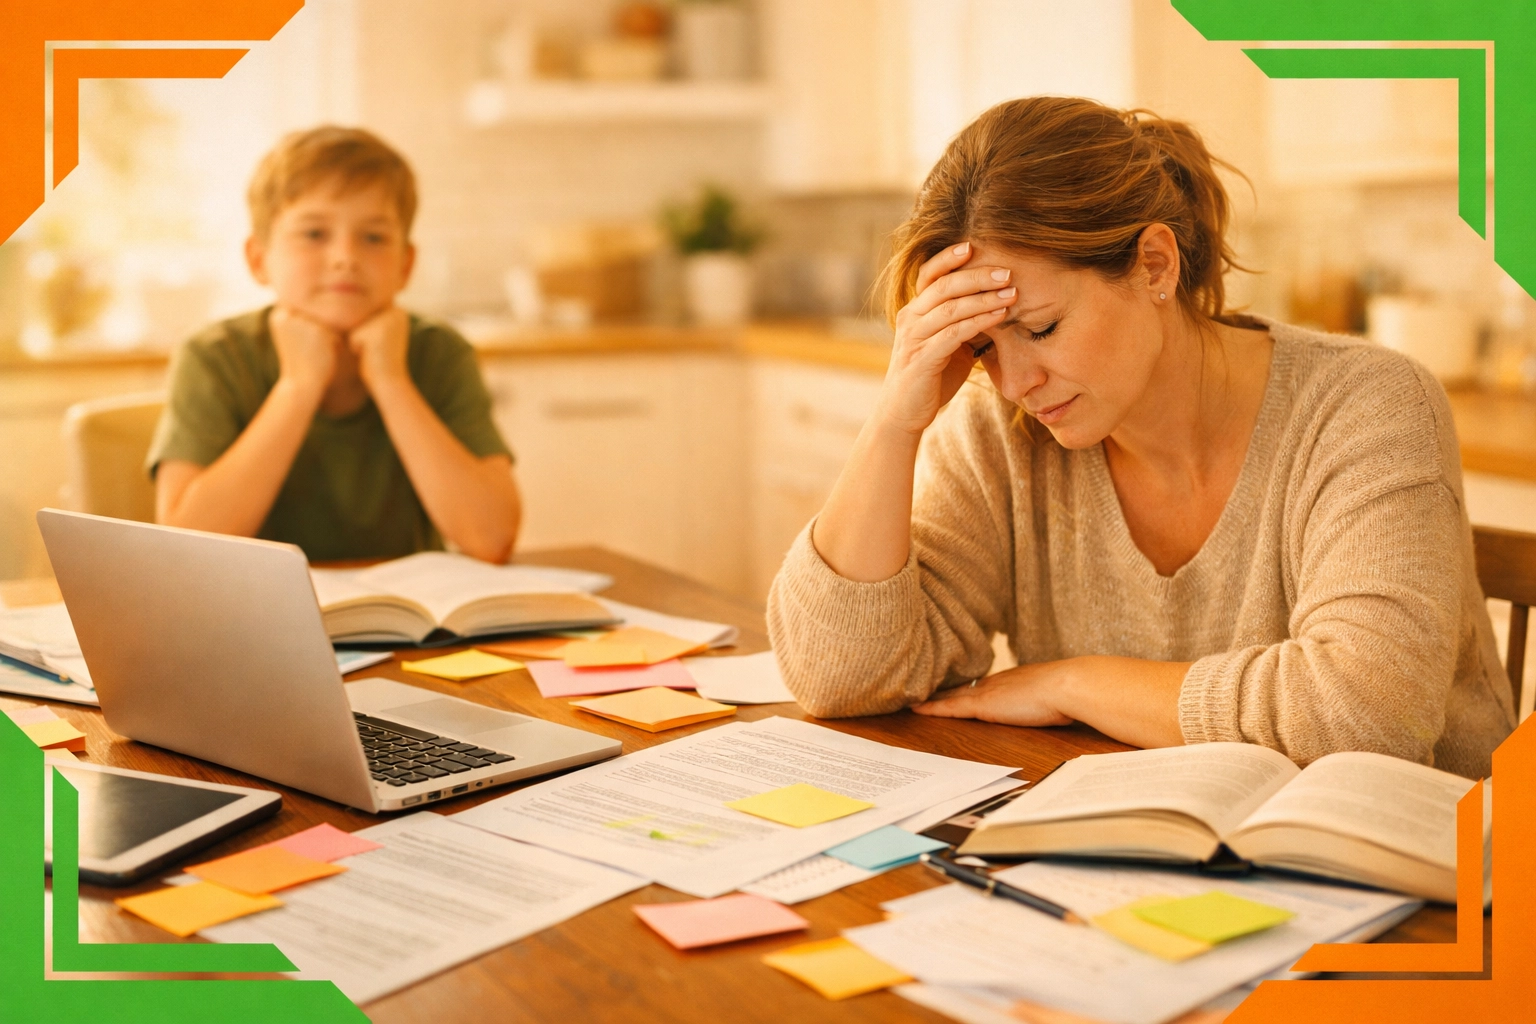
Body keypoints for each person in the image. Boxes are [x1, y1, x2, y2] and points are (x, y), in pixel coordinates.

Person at [767, 96, 1513, 779]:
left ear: (1155, 264)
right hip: (1147, 864)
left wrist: (1074, 682)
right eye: (986, 347)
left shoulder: (1367, 405)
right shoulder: (1005, 429)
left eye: (1040, 328)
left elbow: (1367, 717)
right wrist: (894, 419)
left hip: (1421, 891)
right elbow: (840, 677)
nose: (1015, 380)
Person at [147, 126, 521, 563]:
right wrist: (297, 386)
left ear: (406, 264)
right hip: (252, 626)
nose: (345, 256)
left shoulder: (441, 354)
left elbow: (491, 538)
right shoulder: (213, 357)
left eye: (374, 237)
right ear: (258, 259)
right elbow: (182, 551)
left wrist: (392, 380)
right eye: (314, 234)